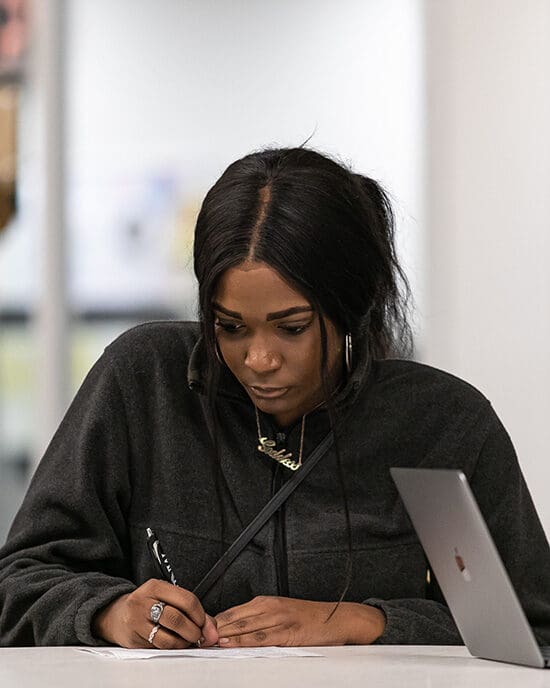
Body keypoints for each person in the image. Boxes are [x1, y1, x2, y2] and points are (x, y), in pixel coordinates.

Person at [1, 147, 549, 649]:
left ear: (350, 306)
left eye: (291, 328)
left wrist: (362, 622)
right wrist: (108, 613)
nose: (259, 360)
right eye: (230, 327)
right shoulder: (143, 382)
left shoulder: (442, 422)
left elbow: (531, 630)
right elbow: (20, 584)